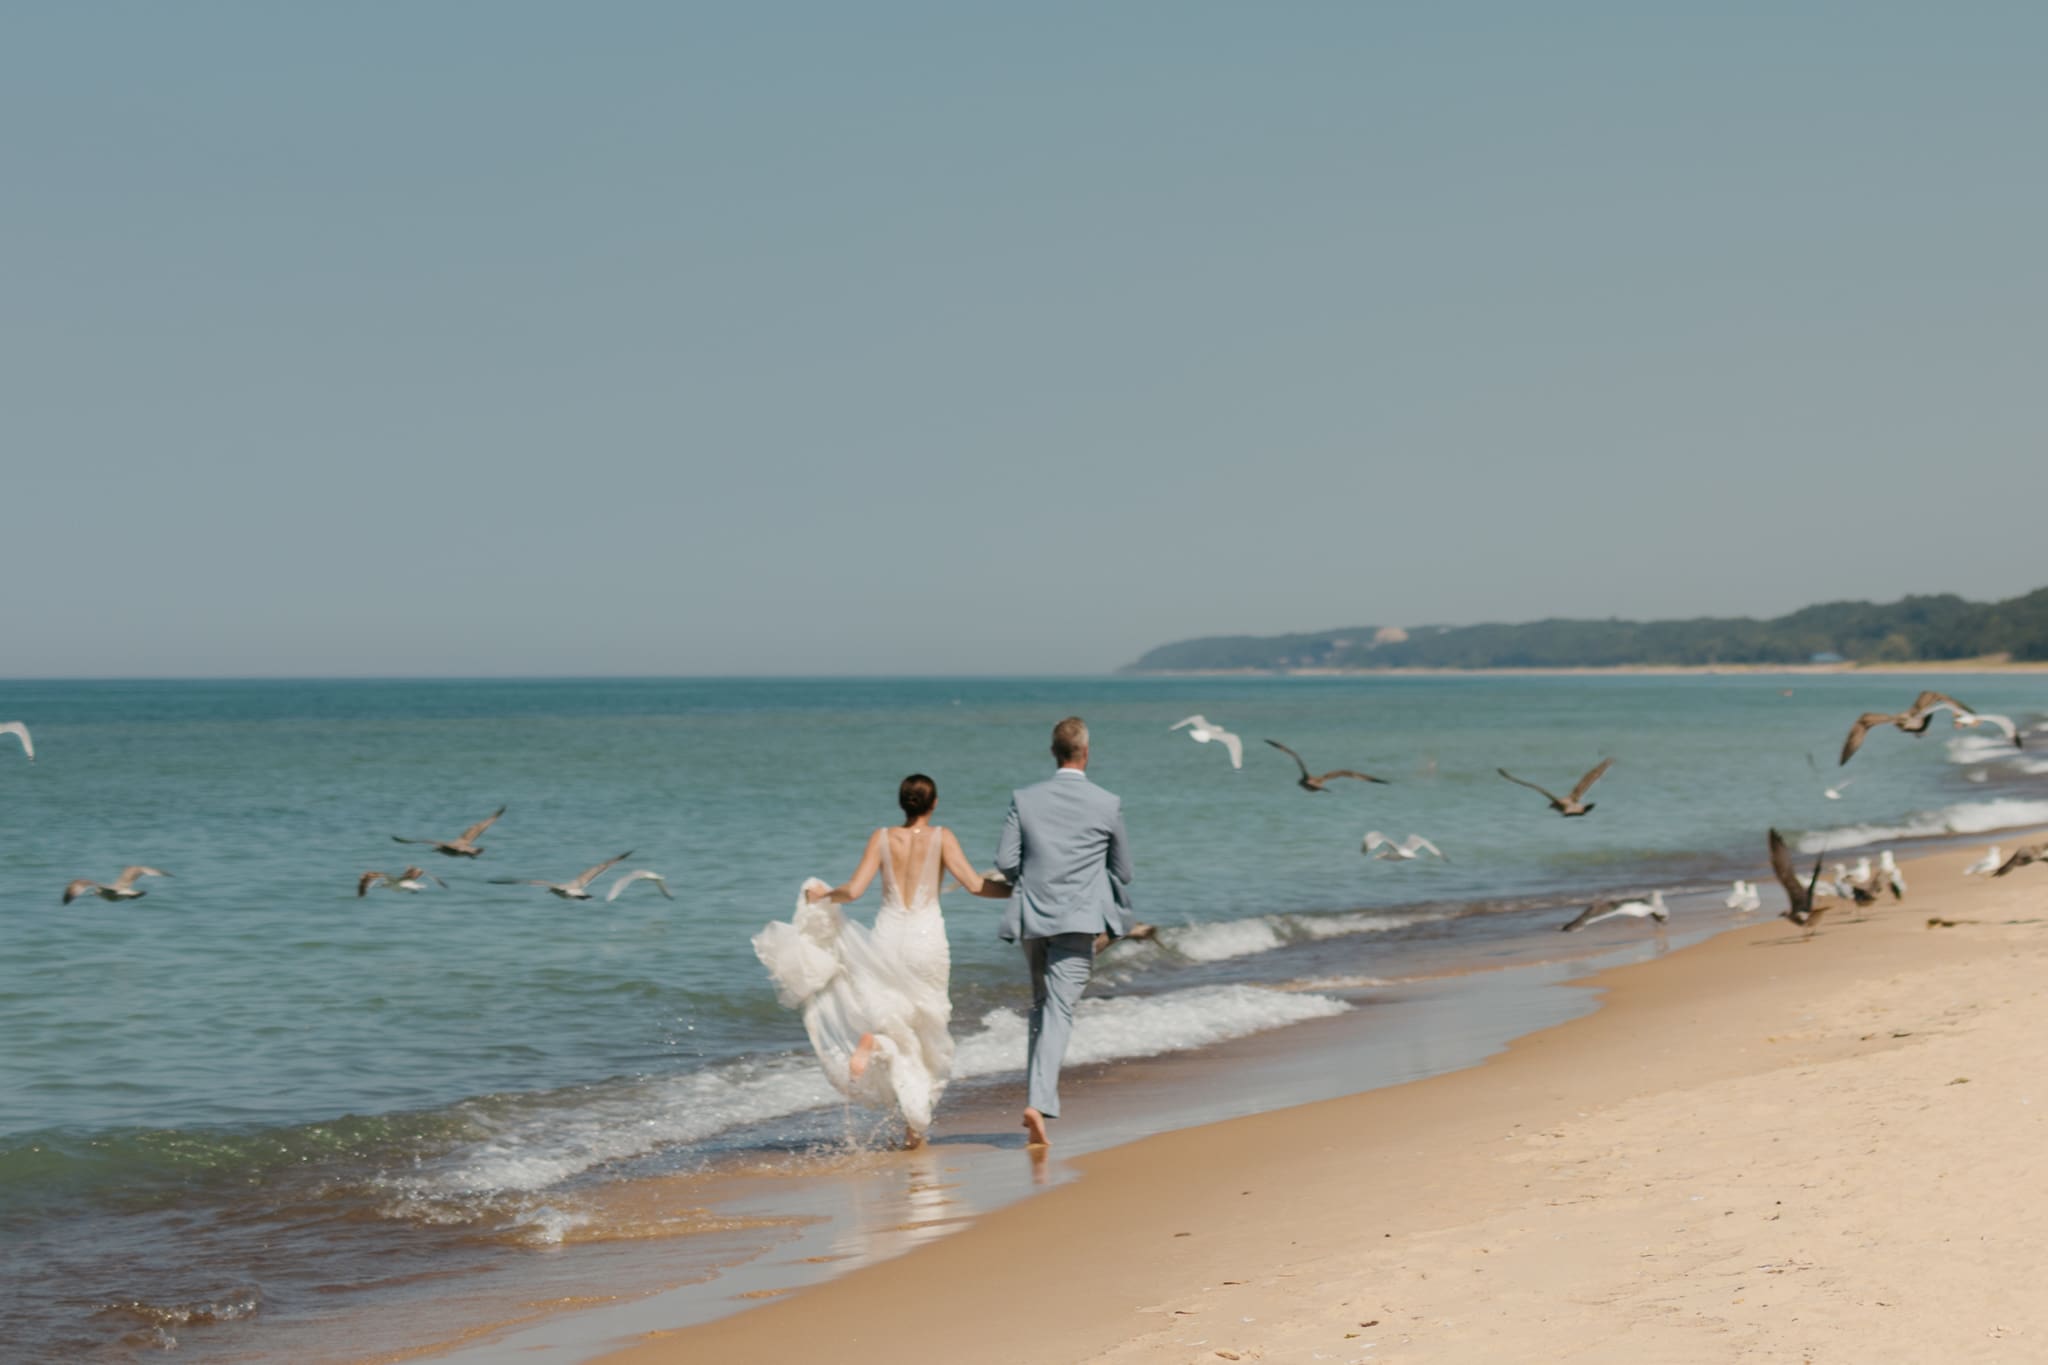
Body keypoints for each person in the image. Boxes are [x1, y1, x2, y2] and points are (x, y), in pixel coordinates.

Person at [753, 774, 1009, 1148]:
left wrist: (824, 895)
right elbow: (974, 884)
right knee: (928, 1028)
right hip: (926, 940)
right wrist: (1019, 892)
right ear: (933, 804)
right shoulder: (943, 837)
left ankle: (879, 1048)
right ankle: (913, 1128)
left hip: (888, 935)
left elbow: (854, 891)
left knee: (893, 1017)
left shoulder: (882, 837)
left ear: (902, 804)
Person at [995, 716, 1134, 1147]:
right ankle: (1037, 1103)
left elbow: (1005, 862)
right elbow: (1124, 872)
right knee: (1059, 1011)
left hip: (1032, 919)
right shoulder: (1107, 803)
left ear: (1053, 752)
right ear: (1086, 753)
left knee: (1042, 1007)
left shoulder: (1025, 798)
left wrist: (1035, 873)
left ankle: (1037, 1098)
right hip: (1078, 921)